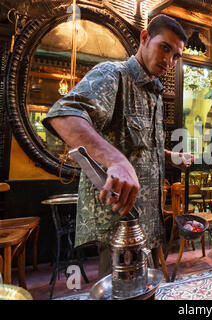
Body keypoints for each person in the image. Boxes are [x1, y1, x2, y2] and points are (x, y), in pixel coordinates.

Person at [42, 14, 194, 277]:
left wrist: (169, 156)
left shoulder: (154, 93)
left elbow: (140, 147)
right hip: (120, 225)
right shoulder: (113, 74)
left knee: (147, 290)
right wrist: (115, 160)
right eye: (165, 48)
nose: (169, 61)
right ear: (145, 38)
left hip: (148, 219)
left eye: (176, 56)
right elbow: (63, 116)